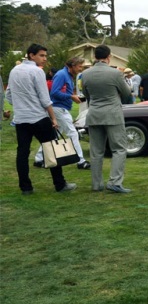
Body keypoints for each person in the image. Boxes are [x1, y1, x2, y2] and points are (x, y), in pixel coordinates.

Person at [7, 43, 77, 194]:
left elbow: (8, 95)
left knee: (22, 153)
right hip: (39, 117)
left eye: (45, 55)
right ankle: (60, 184)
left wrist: (20, 104)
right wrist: (54, 118)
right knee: (52, 150)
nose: (45, 59)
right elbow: (45, 99)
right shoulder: (37, 72)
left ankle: (25, 187)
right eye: (42, 55)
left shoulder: (14, 70)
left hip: (21, 119)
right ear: (31, 55)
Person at [82, 44, 133, 193]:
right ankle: (115, 181)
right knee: (119, 149)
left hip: (94, 114)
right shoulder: (115, 73)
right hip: (113, 114)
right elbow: (126, 93)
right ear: (108, 57)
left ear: (94, 57)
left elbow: (87, 94)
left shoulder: (86, 74)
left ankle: (96, 184)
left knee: (96, 151)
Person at [32, 56, 91, 170]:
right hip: (59, 108)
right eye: (80, 66)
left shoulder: (67, 75)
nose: (81, 69)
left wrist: (72, 96)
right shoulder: (61, 74)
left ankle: (39, 159)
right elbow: (54, 93)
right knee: (73, 133)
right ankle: (80, 161)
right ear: (73, 65)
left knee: (54, 135)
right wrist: (71, 96)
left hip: (59, 108)